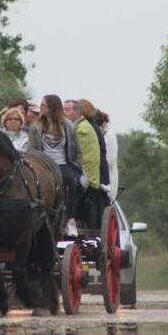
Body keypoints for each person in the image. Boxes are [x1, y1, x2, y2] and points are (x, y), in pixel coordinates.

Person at [28, 95, 82, 237]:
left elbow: (77, 150)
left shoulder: (69, 126)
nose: (41, 108)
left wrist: (78, 167)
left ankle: (71, 221)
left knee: (71, 181)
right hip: (43, 163)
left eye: (43, 105)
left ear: (52, 107)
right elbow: (32, 149)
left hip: (63, 163)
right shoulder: (36, 127)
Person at [64, 99, 106, 230]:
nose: (64, 113)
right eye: (63, 110)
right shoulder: (83, 126)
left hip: (87, 179)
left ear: (77, 112)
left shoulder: (81, 130)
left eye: (67, 110)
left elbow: (80, 159)